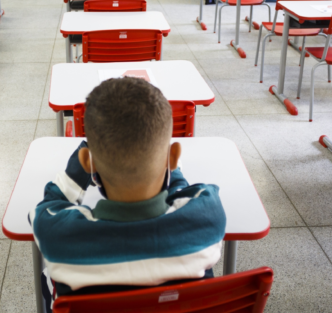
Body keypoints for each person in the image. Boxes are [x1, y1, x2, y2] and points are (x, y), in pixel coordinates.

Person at [30, 77, 226, 312]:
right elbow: (180, 192)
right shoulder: (208, 216)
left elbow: (48, 205)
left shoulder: (58, 235)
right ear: (172, 159)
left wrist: (86, 160)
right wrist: (164, 160)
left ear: (87, 162)